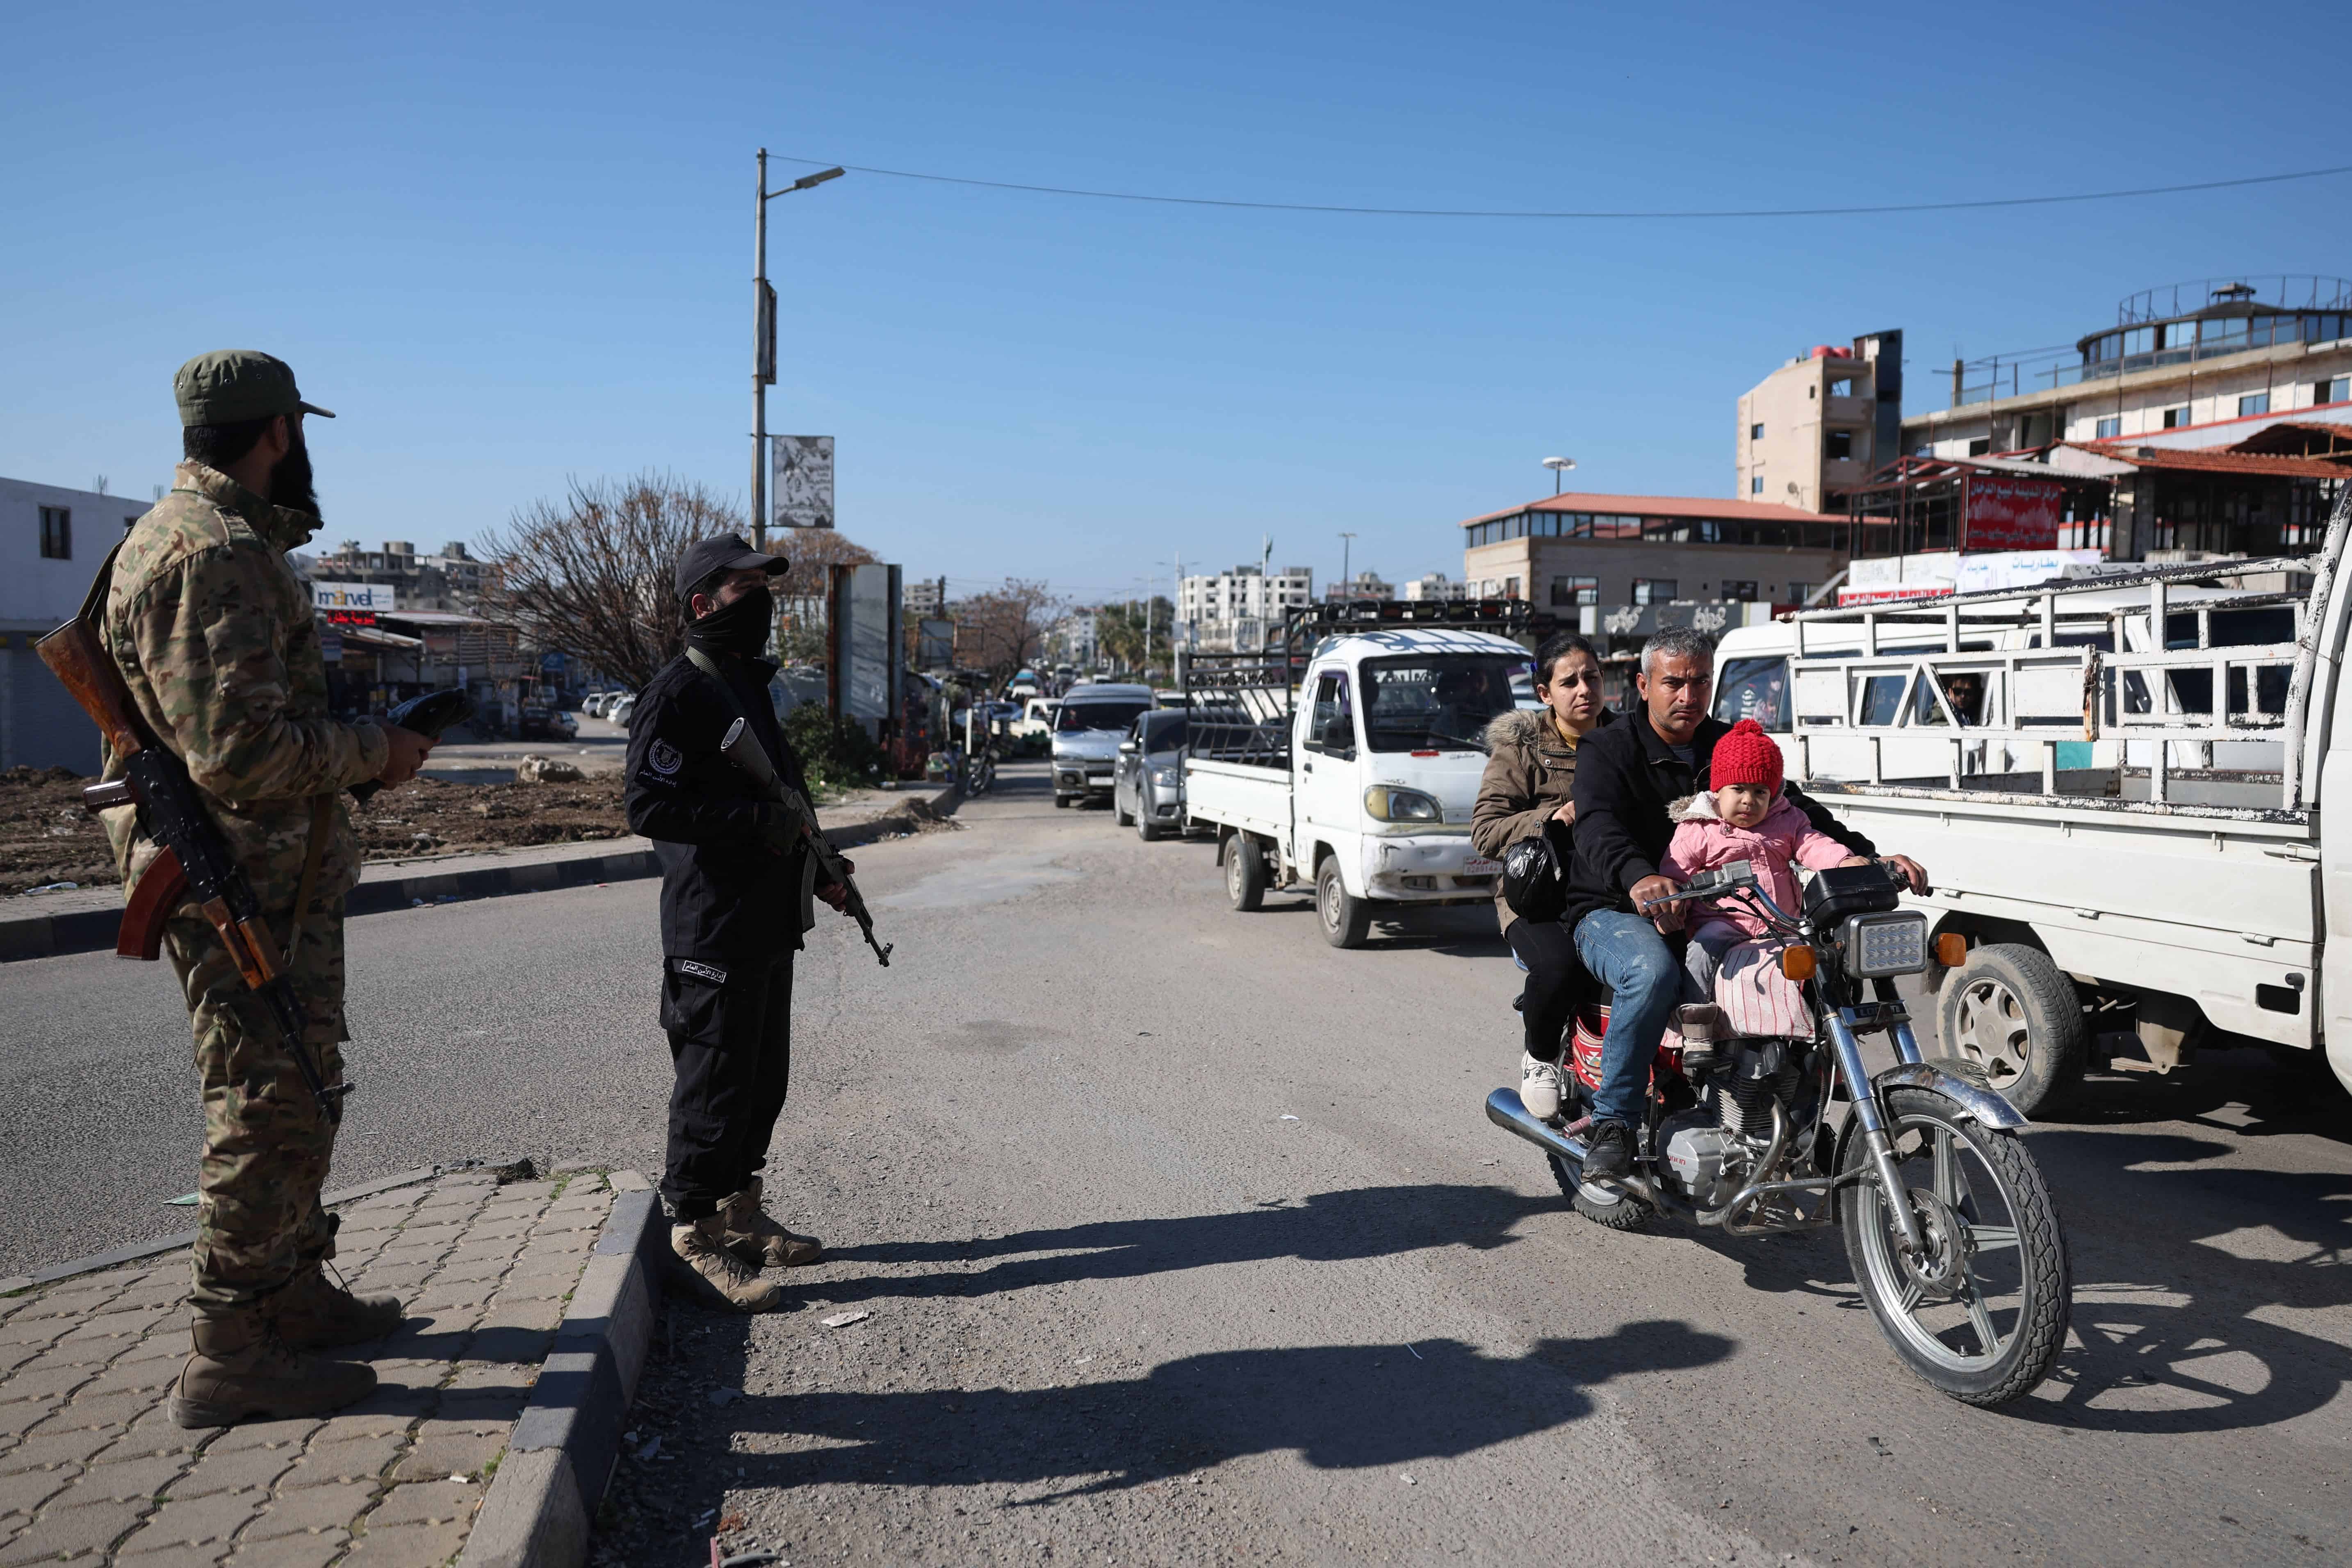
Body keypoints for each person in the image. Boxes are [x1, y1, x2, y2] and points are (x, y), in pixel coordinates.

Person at [100, 351, 437, 1427]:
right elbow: (239, 757)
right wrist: (374, 750)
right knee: (264, 1098)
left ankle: (287, 1293)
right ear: (279, 433)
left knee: (302, 1078)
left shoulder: (210, 540)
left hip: (268, 880)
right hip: (235, 881)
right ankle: (231, 1347)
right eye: (297, 431)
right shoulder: (214, 551)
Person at [1563, 627, 1929, 1179]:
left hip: (1730, 910)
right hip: (1615, 905)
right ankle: (1614, 1123)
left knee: (1826, 968)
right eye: (1674, 683)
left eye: (1700, 682)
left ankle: (1794, 1107)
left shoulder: (1733, 743)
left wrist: (1867, 860)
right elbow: (1597, 826)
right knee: (1652, 970)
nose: (1689, 695)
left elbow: (1800, 815)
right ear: (1643, 685)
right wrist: (1640, 877)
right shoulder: (1607, 747)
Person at [624, 535, 856, 1312]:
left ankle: (739, 1214)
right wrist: (753, 821)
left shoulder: (748, 685)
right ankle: (692, 1234)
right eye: (747, 587)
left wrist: (821, 865)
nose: (764, 599)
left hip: (764, 919)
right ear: (702, 604)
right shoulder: (678, 694)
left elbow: (783, 798)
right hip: (711, 925)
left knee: (762, 1082)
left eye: (767, 585)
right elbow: (647, 805)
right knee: (714, 1085)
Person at [1470, 632, 1612, 1119]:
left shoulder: (1625, 739)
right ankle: (1541, 1054)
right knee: (1560, 966)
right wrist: (1553, 817)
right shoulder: (1523, 747)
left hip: (1610, 890)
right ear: (1545, 693)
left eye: (1591, 677)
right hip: (1537, 898)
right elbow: (1485, 831)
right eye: (1568, 681)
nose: (1584, 690)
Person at [1658, 718, 1870, 1023]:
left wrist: (1842, 861)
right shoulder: (1699, 829)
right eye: (1738, 789)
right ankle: (1694, 1024)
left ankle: (1818, 1035)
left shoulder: (1787, 821)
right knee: (1700, 955)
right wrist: (1672, 909)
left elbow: (1813, 844)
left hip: (1783, 926)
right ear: (1718, 790)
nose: (1749, 801)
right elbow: (1676, 875)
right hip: (1723, 922)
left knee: (1826, 962)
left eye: (1761, 792)